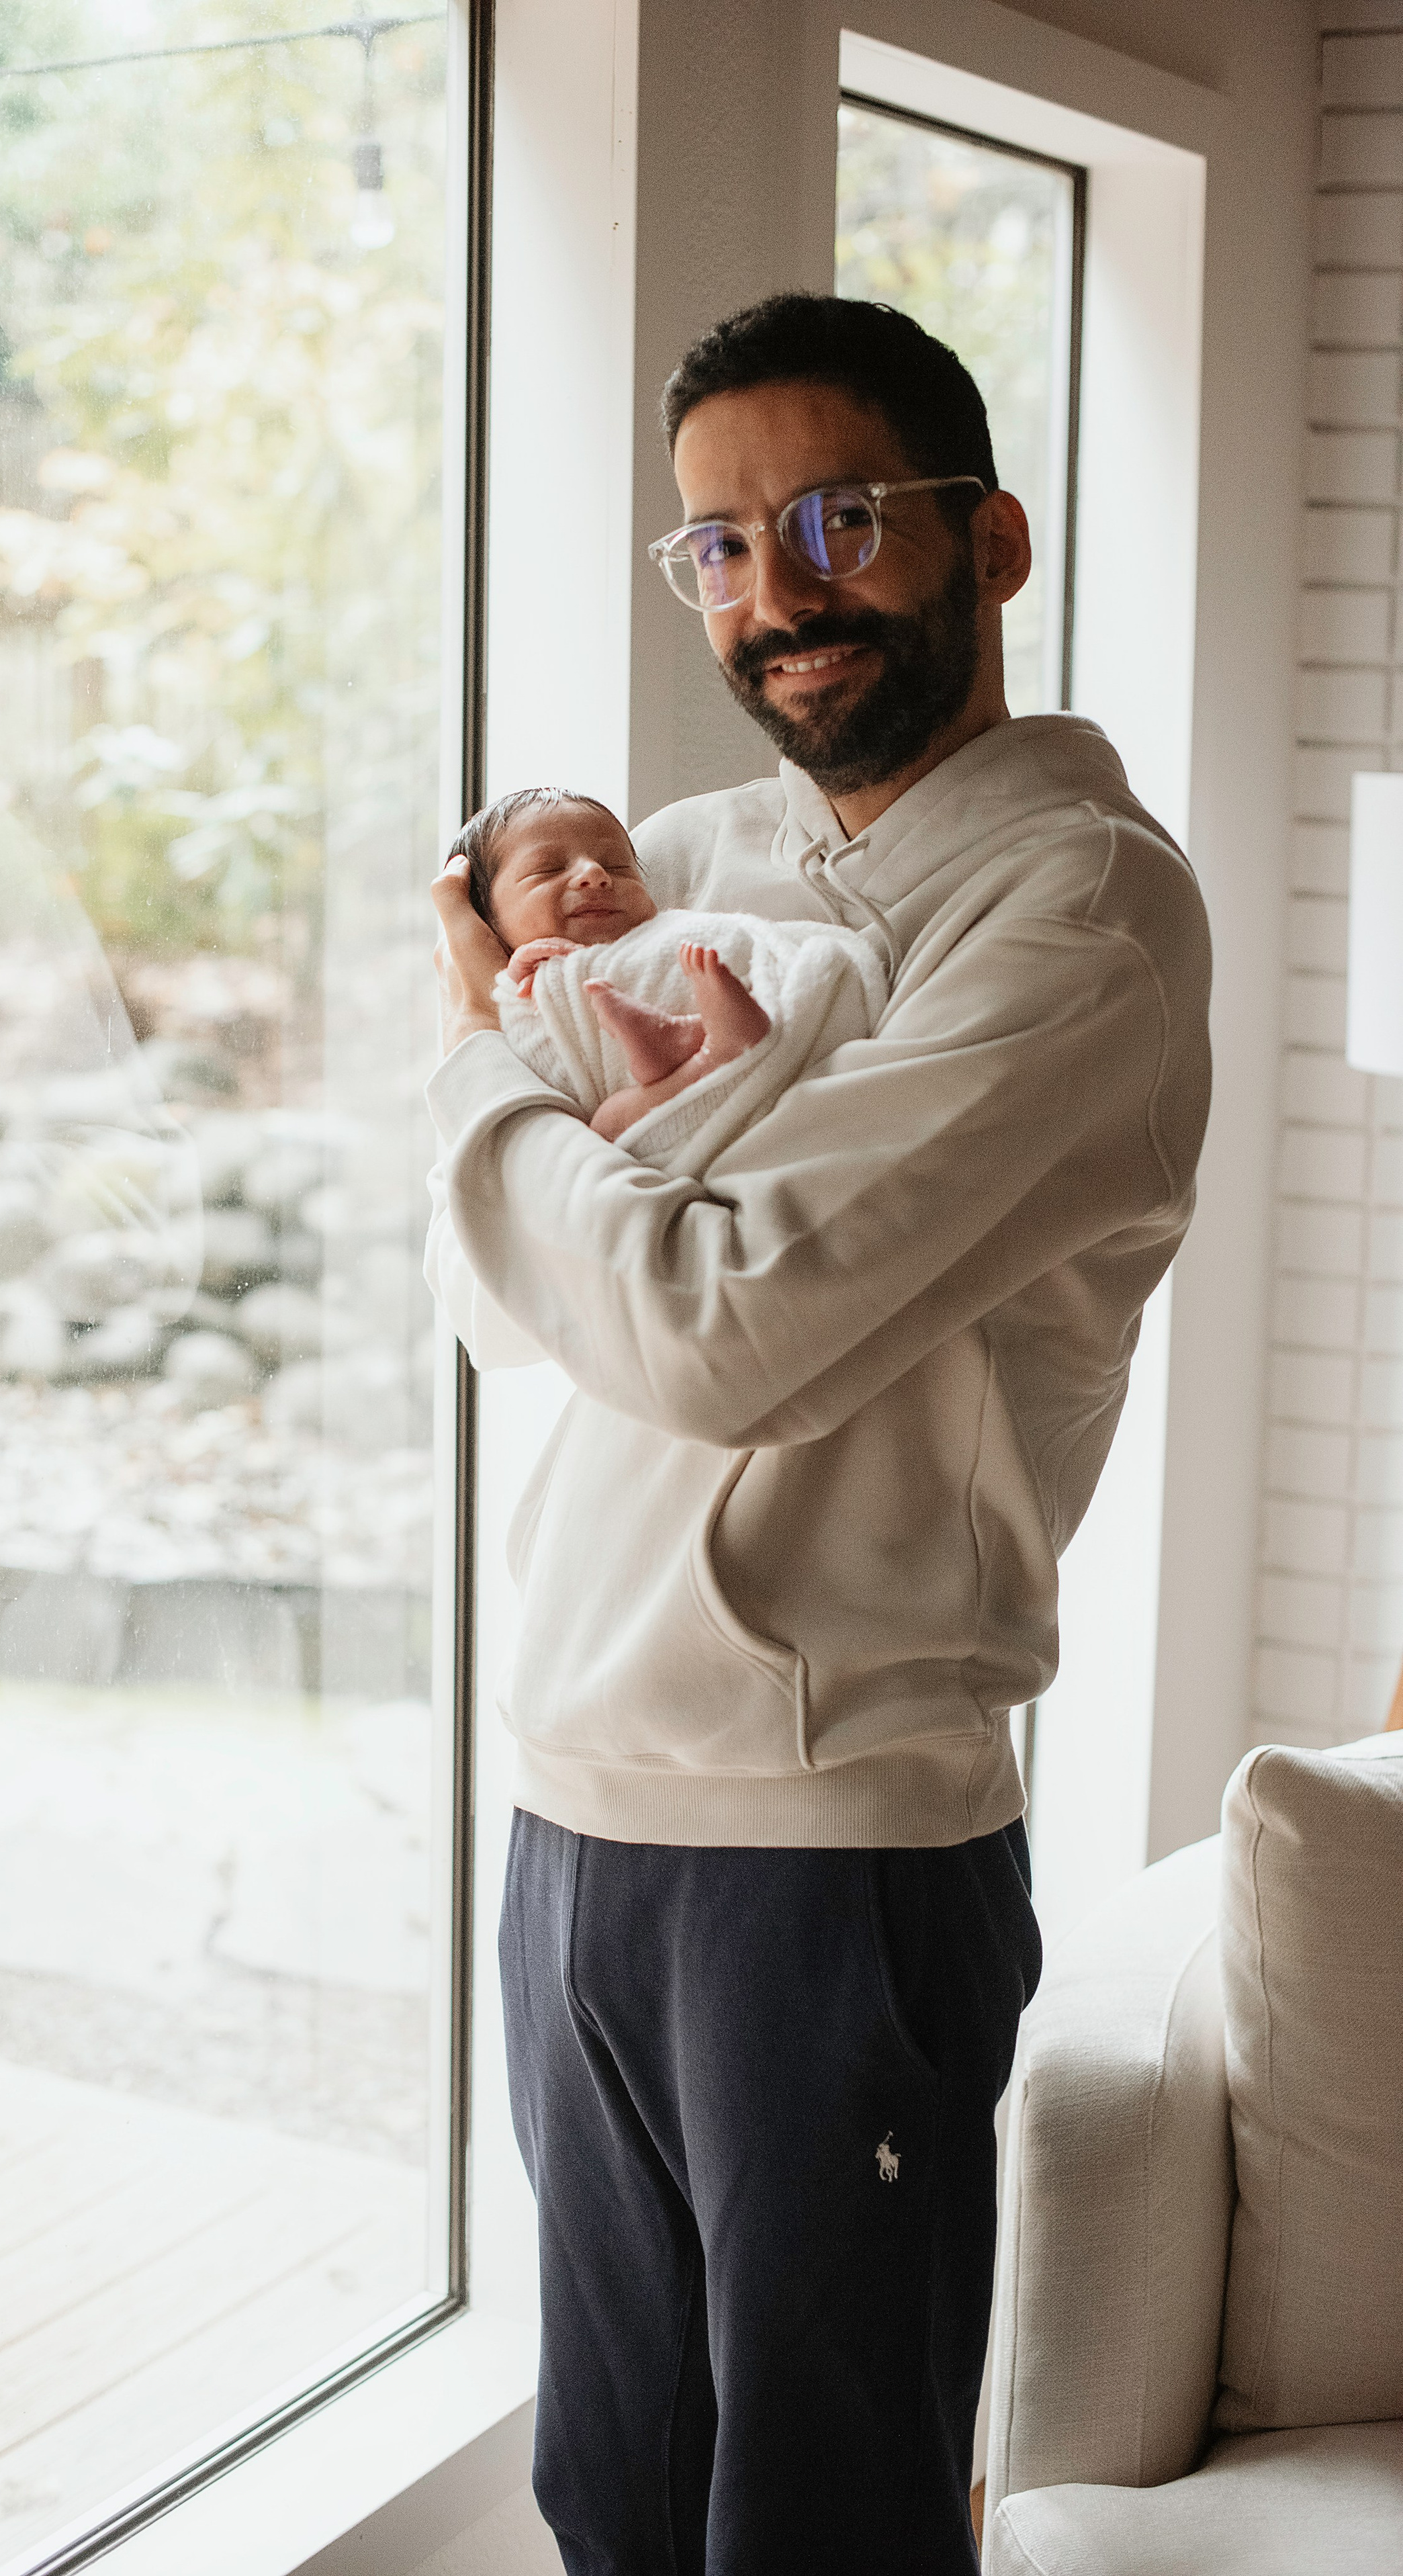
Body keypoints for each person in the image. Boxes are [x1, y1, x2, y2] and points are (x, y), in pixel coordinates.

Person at [426, 295, 1212, 2576]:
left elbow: (712, 1326)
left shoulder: (1078, 916)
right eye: (717, 546)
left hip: (831, 1834)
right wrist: (537, 1137)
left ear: (996, 539)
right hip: (571, 1799)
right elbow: (507, 1304)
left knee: (821, 2519)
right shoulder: (681, 860)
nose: (774, 593)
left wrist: (489, 1064)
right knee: (613, 2493)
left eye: (838, 520)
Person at [437, 783, 887, 1151]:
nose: (596, 874)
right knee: (608, 1125)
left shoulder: (668, 931)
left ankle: (691, 1040)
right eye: (548, 869)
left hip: (765, 1021)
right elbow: (528, 1035)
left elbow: (734, 937)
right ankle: (709, 1056)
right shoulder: (522, 978)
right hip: (652, 1094)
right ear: (486, 920)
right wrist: (516, 976)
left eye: (619, 865)